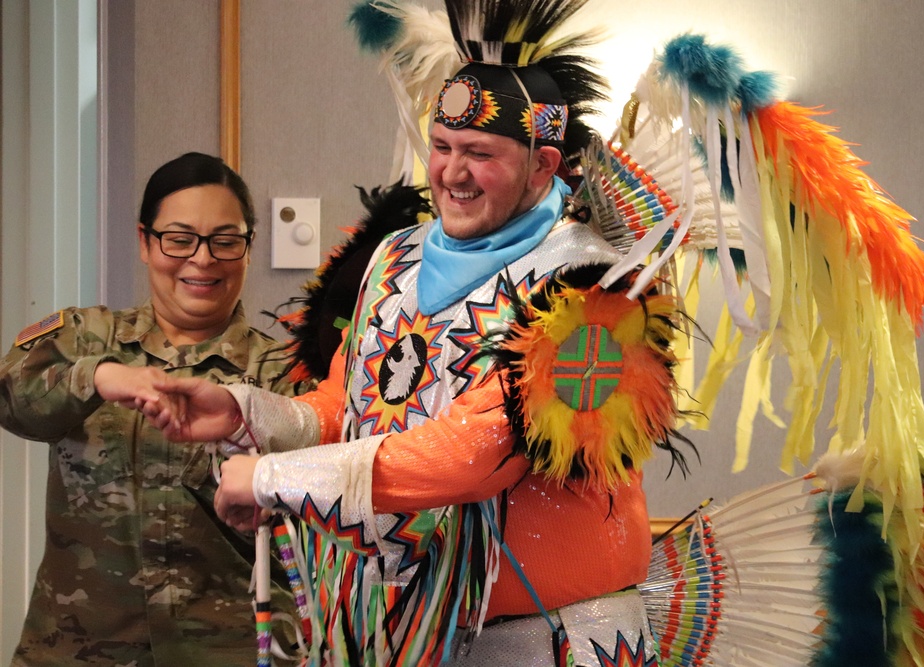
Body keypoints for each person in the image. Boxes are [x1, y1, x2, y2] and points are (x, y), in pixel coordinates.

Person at [141, 2, 684, 665]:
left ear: (542, 166)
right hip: (408, 637)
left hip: (554, 640)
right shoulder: (397, 255)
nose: (452, 174)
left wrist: (275, 477)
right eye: (444, 147)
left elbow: (474, 453)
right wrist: (253, 412)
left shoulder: (593, 287)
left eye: (480, 154)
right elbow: (351, 404)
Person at [0, 152, 304, 666]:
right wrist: (97, 377)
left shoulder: (286, 373)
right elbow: (12, 396)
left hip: (233, 650)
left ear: (249, 248)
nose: (202, 260)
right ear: (144, 242)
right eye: (179, 239)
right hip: (78, 650)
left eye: (225, 241)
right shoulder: (86, 336)